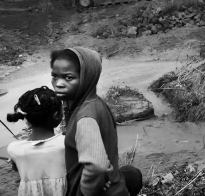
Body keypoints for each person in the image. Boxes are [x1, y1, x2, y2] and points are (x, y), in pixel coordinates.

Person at [50, 47, 143, 196]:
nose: (59, 83)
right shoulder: (93, 103)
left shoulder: (85, 118)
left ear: (87, 78)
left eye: (68, 77)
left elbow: (97, 165)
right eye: (55, 76)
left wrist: (87, 190)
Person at [6, 86, 66, 196]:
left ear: (26, 118)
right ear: (57, 115)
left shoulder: (14, 149)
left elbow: (16, 168)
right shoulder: (66, 143)